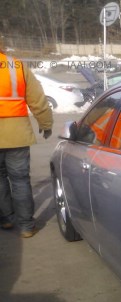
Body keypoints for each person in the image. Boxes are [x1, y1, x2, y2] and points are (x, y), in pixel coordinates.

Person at [0, 43, 53, 238]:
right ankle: (26, 226)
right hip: (17, 134)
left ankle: (6, 219)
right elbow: (37, 99)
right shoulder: (16, 67)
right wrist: (46, 124)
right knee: (20, 180)